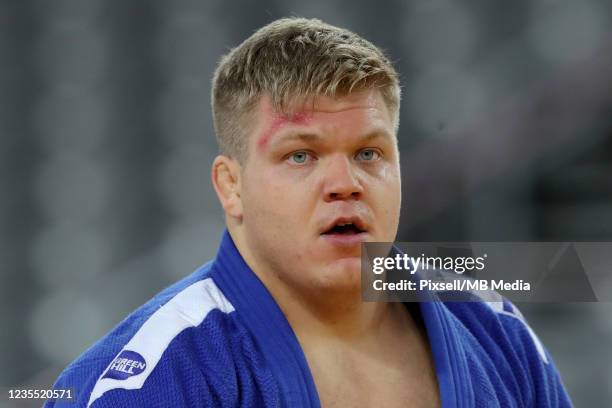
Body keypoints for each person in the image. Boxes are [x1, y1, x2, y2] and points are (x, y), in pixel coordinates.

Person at [46, 18, 573, 407]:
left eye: (370, 153)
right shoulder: (158, 377)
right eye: (301, 155)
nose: (345, 184)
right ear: (231, 187)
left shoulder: (495, 327)